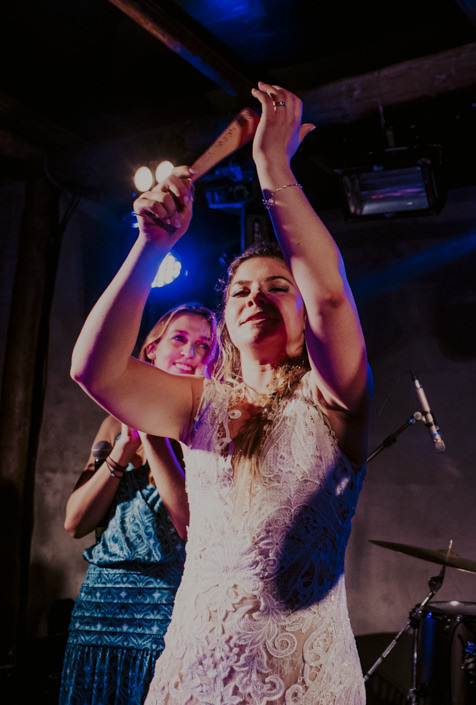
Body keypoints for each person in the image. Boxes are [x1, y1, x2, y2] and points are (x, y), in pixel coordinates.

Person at [71, 82, 372, 705]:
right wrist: (151, 244)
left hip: (302, 682)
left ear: (303, 312)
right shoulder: (195, 404)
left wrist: (273, 168)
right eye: (239, 291)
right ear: (227, 322)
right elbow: (94, 371)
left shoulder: (335, 399)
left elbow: (333, 295)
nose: (256, 297)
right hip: (193, 672)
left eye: (278, 287)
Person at [59, 303, 218, 705]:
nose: (191, 352)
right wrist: (122, 449)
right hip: (100, 608)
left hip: (163, 611)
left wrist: (151, 432)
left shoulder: (209, 430)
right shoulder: (114, 423)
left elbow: (193, 527)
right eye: (179, 339)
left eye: (204, 346)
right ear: (151, 349)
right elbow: (76, 523)